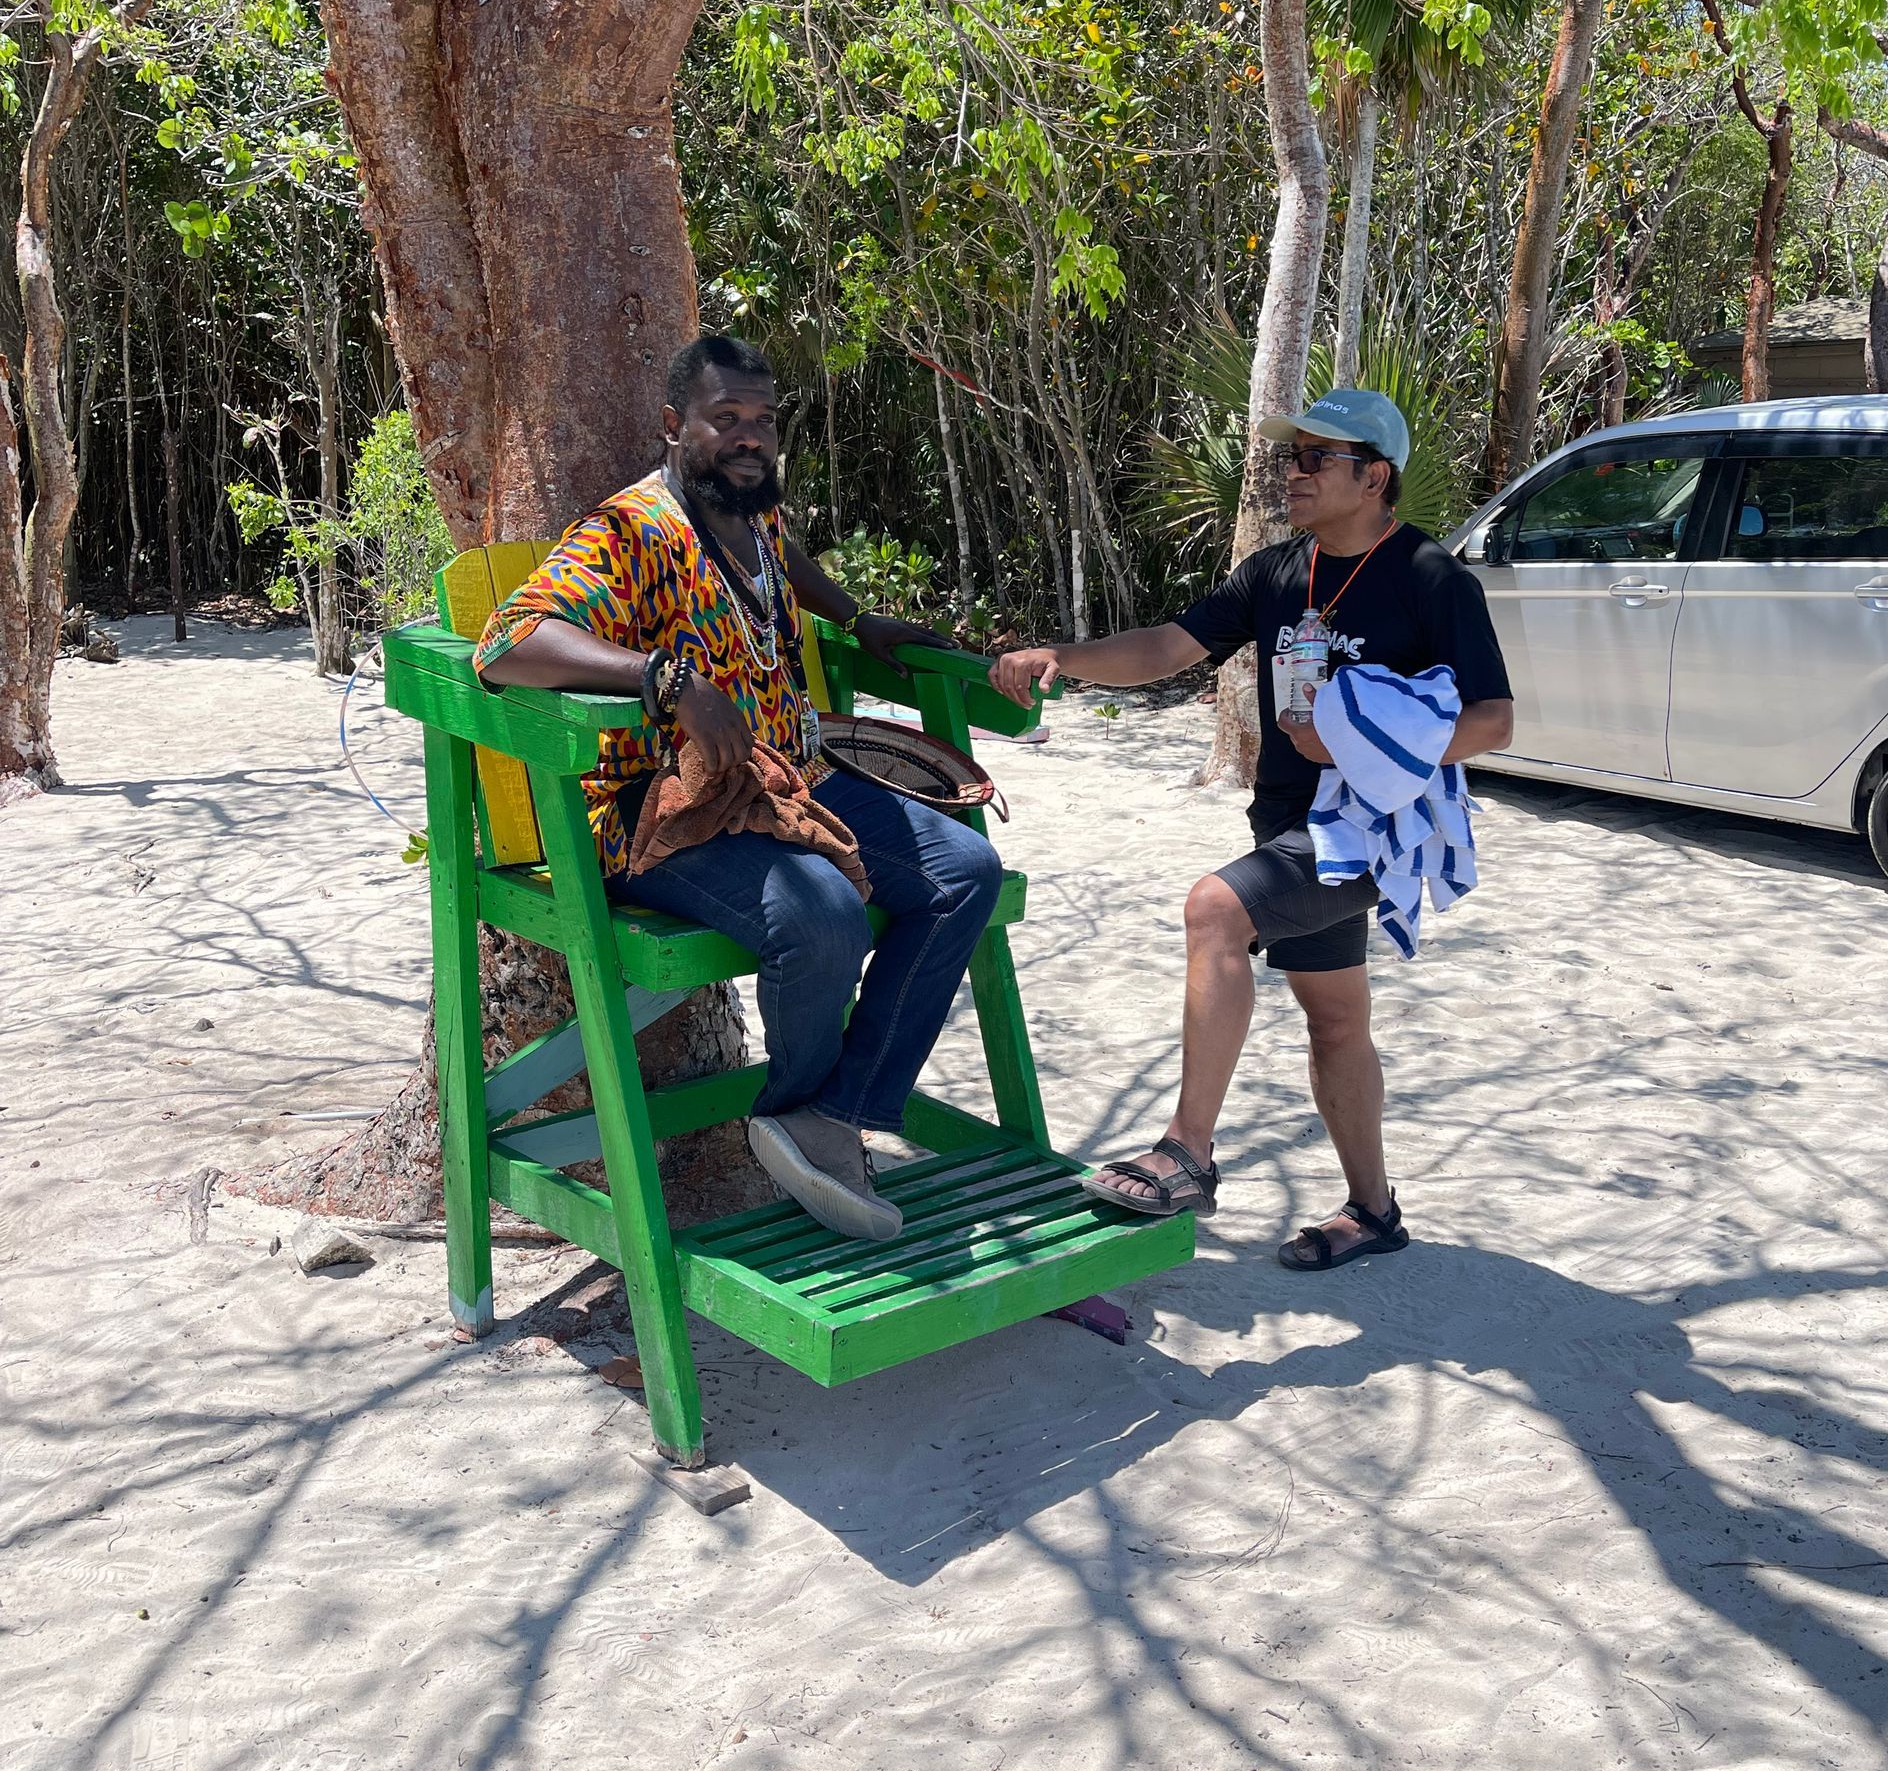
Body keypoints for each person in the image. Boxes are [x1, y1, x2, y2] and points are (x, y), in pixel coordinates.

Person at [475, 333, 1002, 1244]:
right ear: (675, 426)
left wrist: (855, 616)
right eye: (726, 420)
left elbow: (783, 567)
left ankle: (827, 1117)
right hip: (661, 809)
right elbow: (507, 643)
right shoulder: (628, 531)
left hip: (787, 779)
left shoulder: (749, 510)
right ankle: (800, 1116)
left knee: (965, 869)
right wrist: (664, 681)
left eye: (762, 420)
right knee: (821, 916)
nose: (748, 437)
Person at [991, 388, 1513, 1269]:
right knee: (1337, 1021)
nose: (1292, 474)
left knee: (1214, 911)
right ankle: (1375, 1212)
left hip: (1370, 833)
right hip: (1287, 823)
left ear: (1374, 476)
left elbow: (1493, 721)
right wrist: (1064, 659)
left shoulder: (1429, 577)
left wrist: (1378, 756)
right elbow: (1169, 647)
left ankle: (1186, 1151)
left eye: (1315, 459)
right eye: (1289, 457)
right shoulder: (1279, 572)